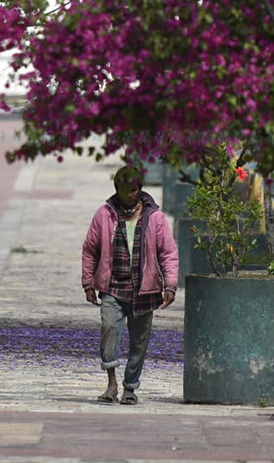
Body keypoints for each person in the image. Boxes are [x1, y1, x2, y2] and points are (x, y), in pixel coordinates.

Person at [81, 163, 179, 404]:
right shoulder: (104, 215)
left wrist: (170, 285)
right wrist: (88, 283)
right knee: (110, 330)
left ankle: (130, 387)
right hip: (113, 287)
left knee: (139, 341)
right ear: (117, 190)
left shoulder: (154, 218)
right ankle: (111, 383)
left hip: (144, 290)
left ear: (140, 190)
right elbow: (90, 250)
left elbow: (168, 252)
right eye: (124, 191)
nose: (129, 195)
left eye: (134, 190)